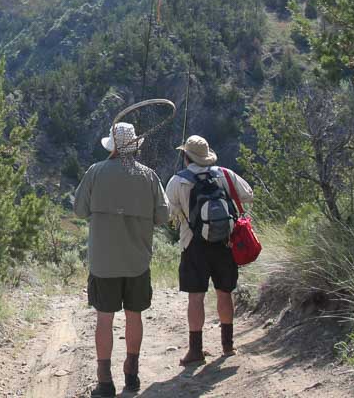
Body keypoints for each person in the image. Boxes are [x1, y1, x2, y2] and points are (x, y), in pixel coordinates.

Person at [74, 122, 169, 396]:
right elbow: (163, 217)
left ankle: (104, 381)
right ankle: (132, 373)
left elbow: (80, 211)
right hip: (137, 261)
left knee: (104, 319)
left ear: (112, 146)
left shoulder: (95, 172)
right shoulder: (149, 176)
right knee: (133, 316)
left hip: (103, 263)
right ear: (135, 147)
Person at [166, 135, 254, 365]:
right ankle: (228, 346)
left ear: (186, 157)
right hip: (225, 243)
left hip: (192, 244)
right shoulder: (225, 174)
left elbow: (167, 213)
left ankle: (195, 351)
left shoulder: (178, 181)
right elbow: (248, 195)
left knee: (196, 297)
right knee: (224, 292)